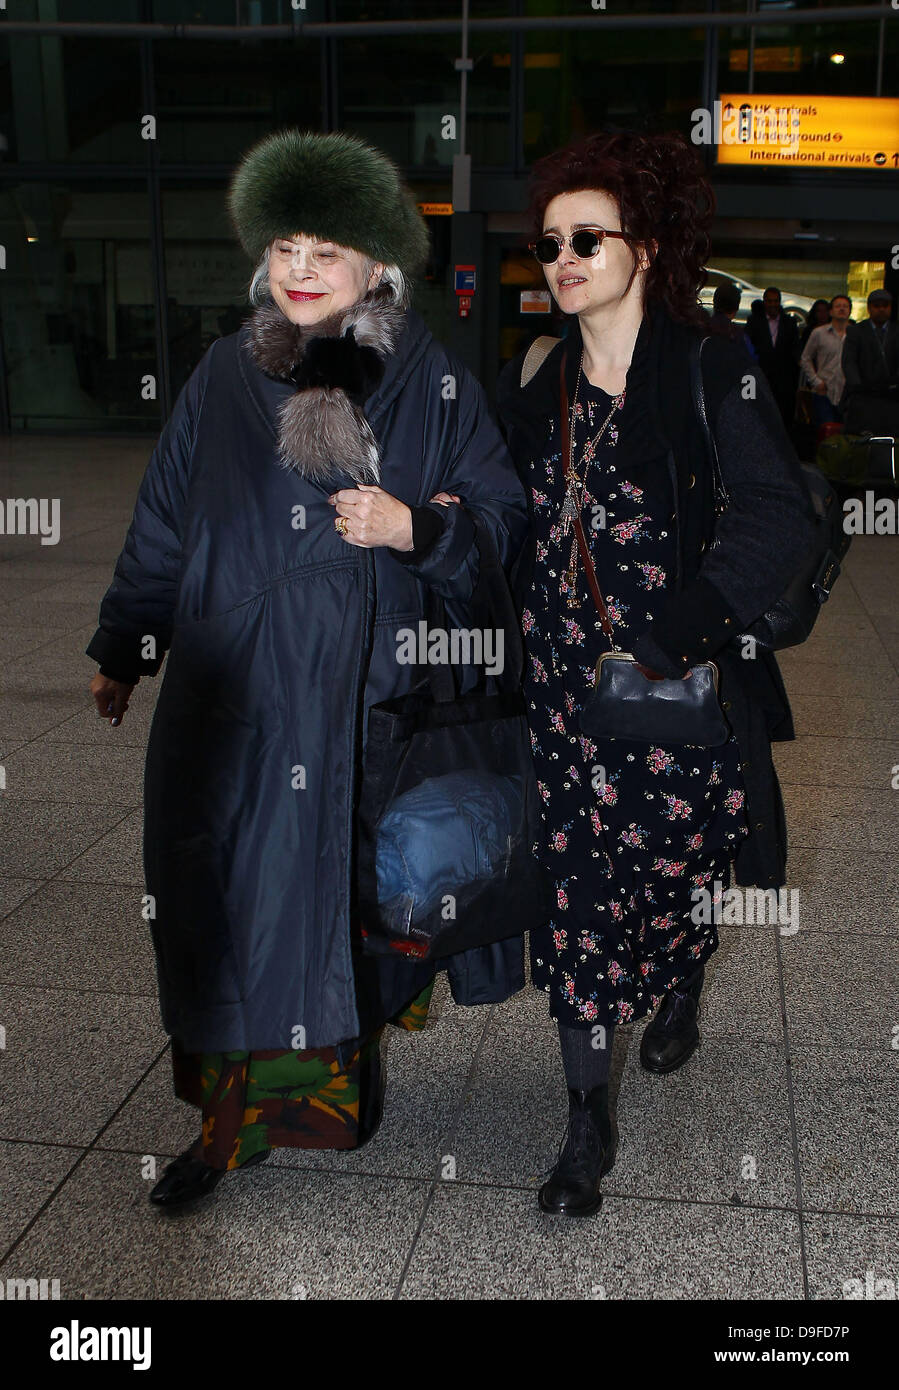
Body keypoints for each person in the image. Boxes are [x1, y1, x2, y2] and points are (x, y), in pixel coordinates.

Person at [86, 129, 529, 1208]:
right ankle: (224, 1123)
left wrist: (413, 528)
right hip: (225, 697)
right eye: (284, 244)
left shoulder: (433, 383)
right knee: (214, 910)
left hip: (355, 705)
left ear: (377, 266)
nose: (296, 267)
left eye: (324, 250)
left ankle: (331, 1083)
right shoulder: (223, 373)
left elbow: (501, 522)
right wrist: (126, 643)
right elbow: (163, 515)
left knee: (332, 911)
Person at [495, 129, 815, 1219]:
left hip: (676, 697)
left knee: (669, 883)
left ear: (645, 243)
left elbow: (776, 517)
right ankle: (585, 1119)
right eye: (548, 242)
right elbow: (490, 507)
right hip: (564, 703)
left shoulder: (705, 362)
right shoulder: (535, 378)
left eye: (589, 235)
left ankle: (680, 972)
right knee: (578, 906)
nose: (564, 256)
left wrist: (671, 630)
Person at [840, 288, 899, 436]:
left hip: (892, 396)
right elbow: (849, 362)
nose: (881, 310)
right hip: (863, 396)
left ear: (890, 308)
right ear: (869, 308)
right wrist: (858, 386)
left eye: (885, 306)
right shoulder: (856, 331)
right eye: (876, 306)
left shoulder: (897, 331)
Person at [745, 286, 800, 428]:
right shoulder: (754, 322)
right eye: (769, 301)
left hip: (784, 380)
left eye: (775, 301)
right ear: (764, 302)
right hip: (760, 377)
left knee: (782, 418)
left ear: (780, 302)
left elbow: (795, 350)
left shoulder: (790, 323)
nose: (773, 305)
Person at [799, 293, 852, 428]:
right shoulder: (819, 333)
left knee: (846, 436)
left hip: (848, 393)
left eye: (845, 306)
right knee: (825, 433)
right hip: (824, 391)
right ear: (831, 311)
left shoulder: (856, 334)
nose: (842, 309)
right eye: (838, 306)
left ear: (850, 311)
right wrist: (816, 381)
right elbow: (805, 358)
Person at [706, 281, 756, 358]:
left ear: (714, 302)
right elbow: (751, 360)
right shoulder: (740, 336)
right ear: (737, 308)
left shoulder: (700, 329)